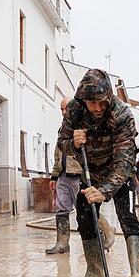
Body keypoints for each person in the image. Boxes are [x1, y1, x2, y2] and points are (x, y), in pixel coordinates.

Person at [57, 69, 139, 277]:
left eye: (101, 103)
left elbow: (125, 159)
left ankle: (138, 273)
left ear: (108, 98)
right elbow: (62, 142)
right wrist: (74, 145)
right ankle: (95, 271)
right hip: (91, 170)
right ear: (83, 100)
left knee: (125, 213)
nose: (97, 108)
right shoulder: (75, 111)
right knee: (84, 212)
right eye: (91, 103)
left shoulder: (122, 114)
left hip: (119, 170)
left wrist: (105, 191)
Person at [46, 96, 114, 255]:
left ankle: (107, 231)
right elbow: (58, 153)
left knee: (86, 209)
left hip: (80, 174)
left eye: (66, 108)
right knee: (61, 208)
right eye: (61, 109)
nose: (63, 112)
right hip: (63, 174)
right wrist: (54, 176)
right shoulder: (64, 128)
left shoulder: (85, 123)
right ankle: (62, 243)